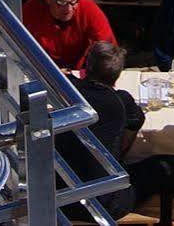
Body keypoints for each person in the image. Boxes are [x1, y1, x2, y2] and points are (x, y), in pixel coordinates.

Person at [67, 42, 158, 222]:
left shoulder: (67, 93)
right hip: (105, 205)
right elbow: (136, 123)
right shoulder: (121, 100)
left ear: (86, 68)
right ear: (117, 75)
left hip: (62, 199)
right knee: (159, 168)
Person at [20, 0, 116, 70]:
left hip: (80, 72)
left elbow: (107, 51)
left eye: (73, 2)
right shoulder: (32, 9)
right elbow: (18, 45)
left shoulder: (90, 10)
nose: (69, 8)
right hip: (41, 71)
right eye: (61, 2)